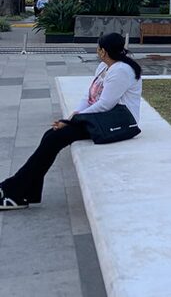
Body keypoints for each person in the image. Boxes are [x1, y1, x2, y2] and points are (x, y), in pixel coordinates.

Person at [1, 33, 142, 210]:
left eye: (98, 48)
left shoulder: (121, 71)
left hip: (118, 123)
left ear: (103, 51)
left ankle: (14, 190)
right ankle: (20, 191)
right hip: (100, 119)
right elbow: (89, 96)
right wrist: (72, 116)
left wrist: (72, 121)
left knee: (54, 138)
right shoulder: (104, 67)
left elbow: (106, 104)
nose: (97, 51)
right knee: (51, 135)